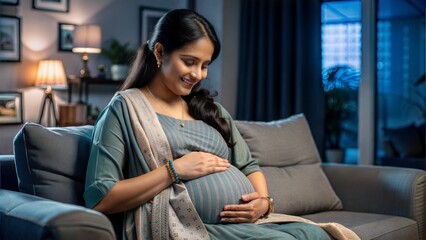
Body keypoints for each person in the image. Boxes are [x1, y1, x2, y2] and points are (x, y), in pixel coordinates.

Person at [84, 9, 333, 240]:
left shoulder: (210, 110)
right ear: (160, 52)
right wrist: (174, 170)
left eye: (205, 65)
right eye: (189, 61)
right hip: (188, 227)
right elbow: (100, 197)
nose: (198, 74)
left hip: (243, 225)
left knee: (316, 235)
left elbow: (247, 165)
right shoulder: (125, 109)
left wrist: (263, 203)